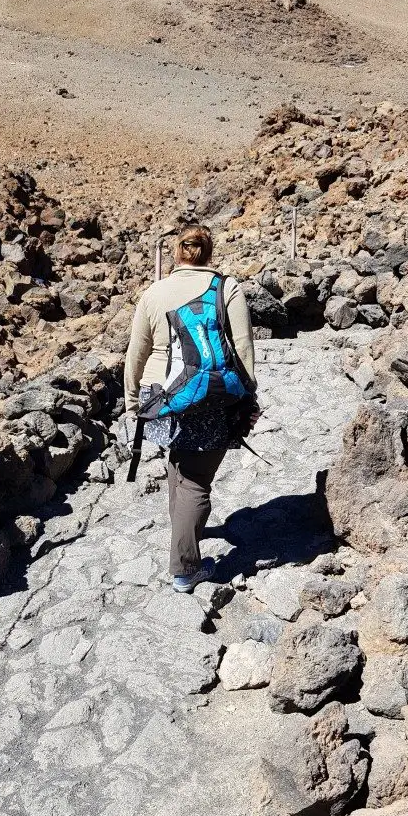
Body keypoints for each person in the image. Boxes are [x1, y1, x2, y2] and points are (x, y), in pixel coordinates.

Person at [124, 224, 257, 592]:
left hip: (160, 396)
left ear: (176, 254)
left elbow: (136, 352)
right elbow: (243, 348)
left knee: (179, 466)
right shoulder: (226, 288)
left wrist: (132, 400)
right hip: (210, 396)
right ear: (208, 253)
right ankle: (184, 567)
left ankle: (187, 533)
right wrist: (249, 397)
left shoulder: (154, 292)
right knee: (197, 481)